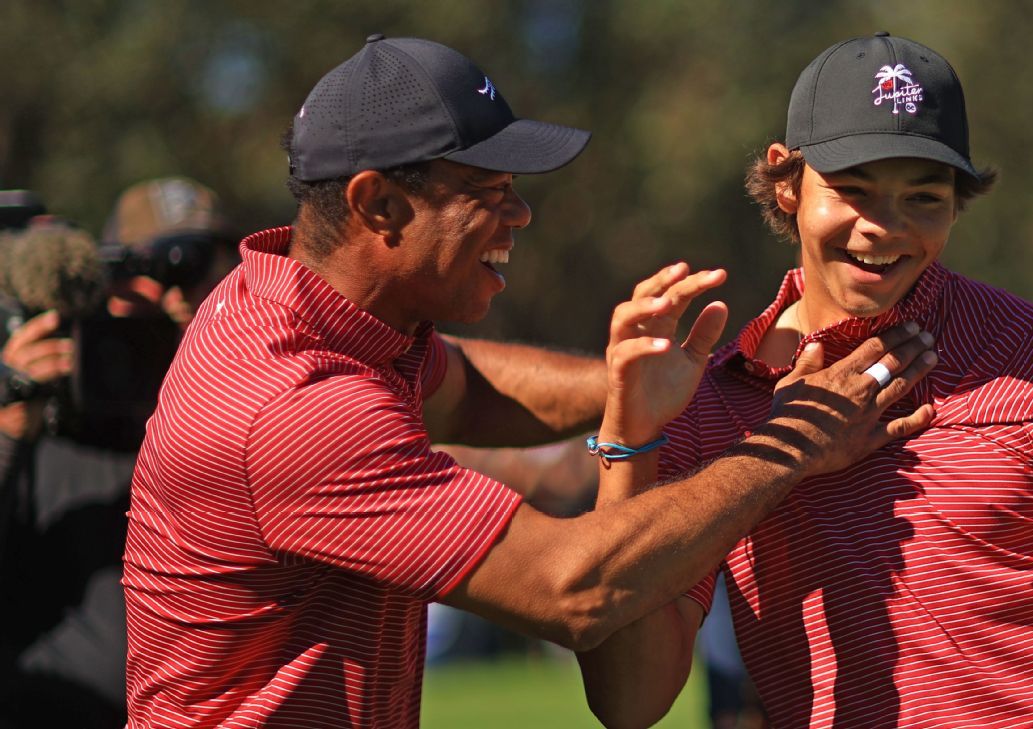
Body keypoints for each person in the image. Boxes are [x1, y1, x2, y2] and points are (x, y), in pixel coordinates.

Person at [120, 34, 938, 727]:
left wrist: (636, 386)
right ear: (378, 204)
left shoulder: (308, 312)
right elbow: (573, 587)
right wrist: (792, 440)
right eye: (488, 192)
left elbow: (469, 388)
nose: (520, 216)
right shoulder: (296, 406)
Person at [577, 32, 1033, 728]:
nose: (884, 229)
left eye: (923, 198)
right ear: (786, 180)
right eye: (853, 191)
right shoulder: (713, 401)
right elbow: (630, 702)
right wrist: (630, 440)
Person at [0, 178, 236, 728]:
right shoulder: (45, 396)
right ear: (110, 280)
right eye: (157, 270)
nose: (182, 293)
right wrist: (10, 422)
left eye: (204, 268)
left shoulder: (246, 400)